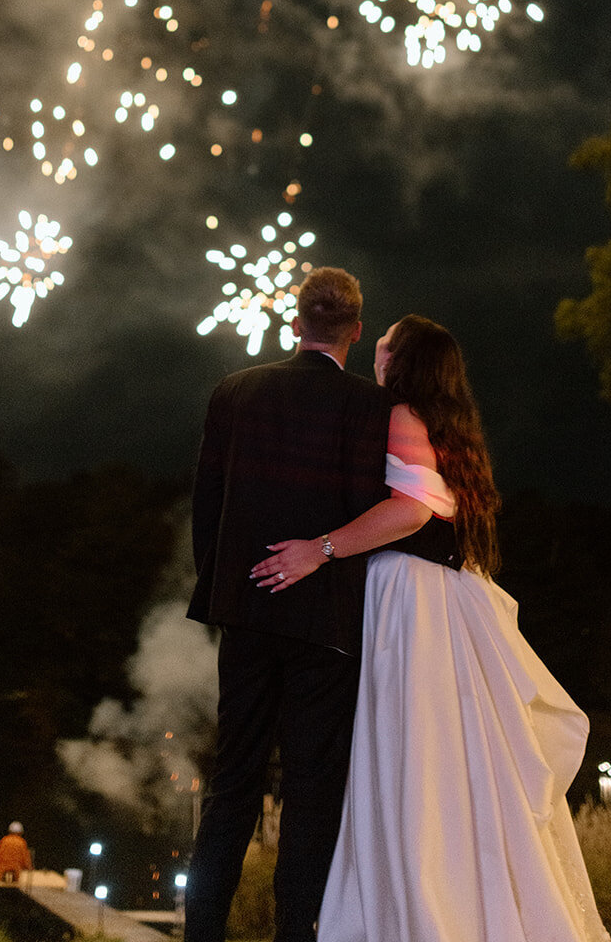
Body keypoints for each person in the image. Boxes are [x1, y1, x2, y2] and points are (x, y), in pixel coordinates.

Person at [251, 315, 611, 942]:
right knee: (453, 761)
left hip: (411, 604)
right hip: (444, 600)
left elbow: (412, 509)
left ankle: (417, 912)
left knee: (410, 753)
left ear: (401, 359)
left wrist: (322, 548)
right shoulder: (451, 427)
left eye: (386, 343)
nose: (377, 351)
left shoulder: (400, 415)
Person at [185, 267, 423, 942]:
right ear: (354, 330)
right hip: (328, 624)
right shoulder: (375, 409)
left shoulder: (233, 392)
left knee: (232, 784)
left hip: (248, 611)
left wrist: (227, 589)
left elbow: (208, 505)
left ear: (294, 324)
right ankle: (295, 934)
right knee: (311, 790)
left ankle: (201, 934)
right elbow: (403, 510)